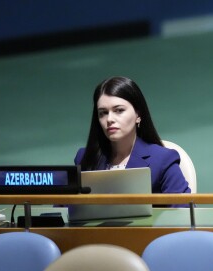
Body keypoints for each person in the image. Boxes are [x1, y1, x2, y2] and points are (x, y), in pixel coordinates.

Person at [74, 76, 190, 205]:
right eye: (103, 113)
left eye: (119, 110)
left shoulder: (163, 159)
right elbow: (63, 209)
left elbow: (184, 210)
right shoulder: (84, 158)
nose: (109, 119)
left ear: (138, 115)